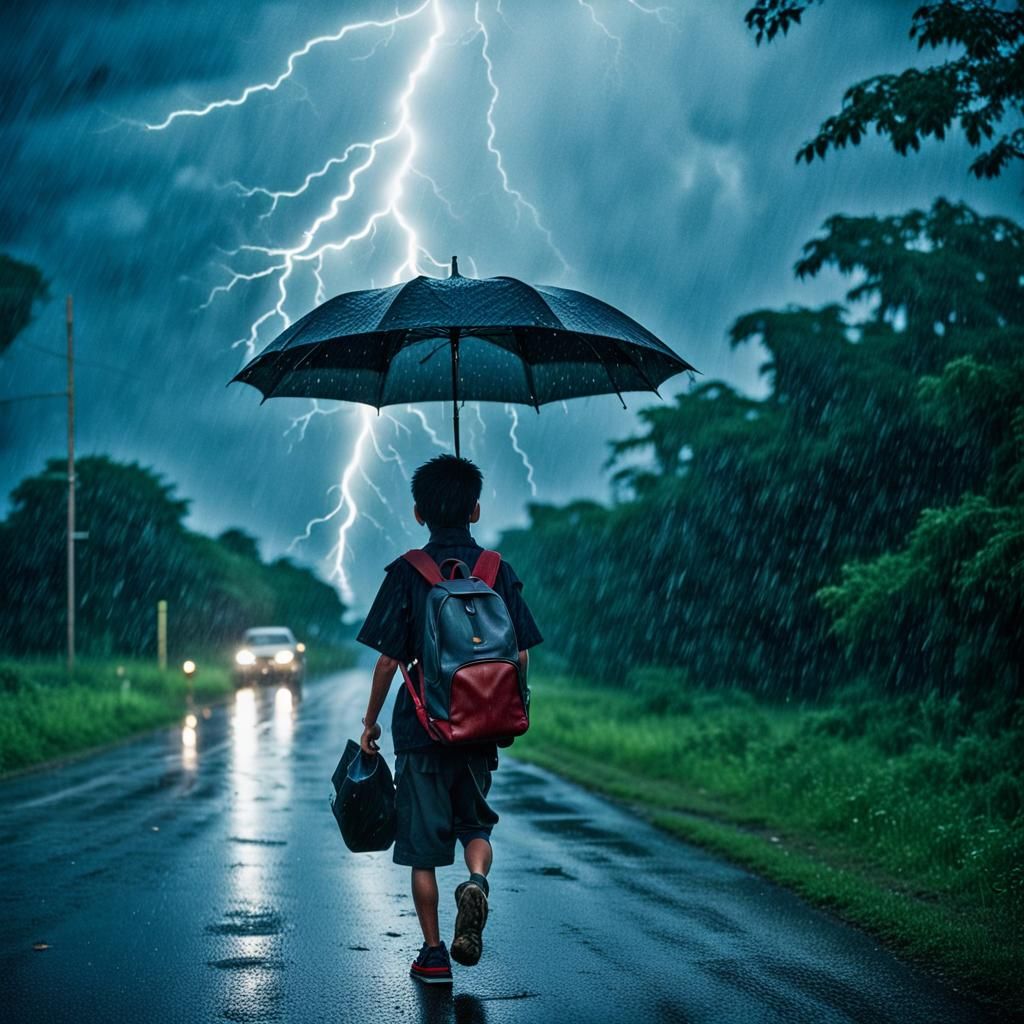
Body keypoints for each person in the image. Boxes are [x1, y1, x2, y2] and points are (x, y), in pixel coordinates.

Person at [356, 454, 543, 985]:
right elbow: (520, 653)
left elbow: (388, 661)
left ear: (418, 513)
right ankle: (476, 882)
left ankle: (434, 953)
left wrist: (370, 723)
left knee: (422, 849)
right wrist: (509, 705)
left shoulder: (407, 572)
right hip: (480, 728)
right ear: (476, 509)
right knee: (475, 826)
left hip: (423, 732)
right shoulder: (497, 570)